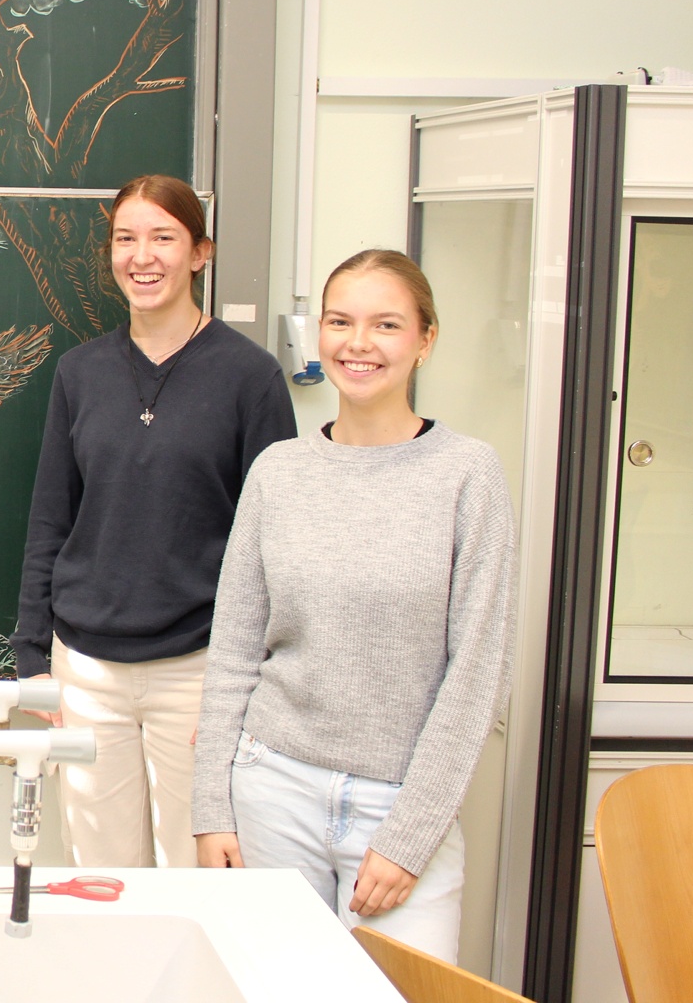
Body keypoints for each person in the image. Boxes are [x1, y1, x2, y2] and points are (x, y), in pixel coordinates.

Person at [191, 249, 515, 961]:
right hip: (271, 790)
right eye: (340, 322)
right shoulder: (279, 472)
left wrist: (410, 838)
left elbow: (478, 673)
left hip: (398, 806)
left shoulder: (469, 475)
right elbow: (237, 648)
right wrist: (211, 808)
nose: (358, 344)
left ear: (425, 339)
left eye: (386, 324)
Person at [12, 175, 296, 868]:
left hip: (199, 671)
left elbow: (277, 542)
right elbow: (51, 517)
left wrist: (255, 681)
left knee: (202, 877)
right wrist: (32, 660)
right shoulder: (79, 374)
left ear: (201, 253)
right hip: (87, 672)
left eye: (164, 238)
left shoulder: (250, 378)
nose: (143, 257)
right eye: (126, 239)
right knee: (103, 878)